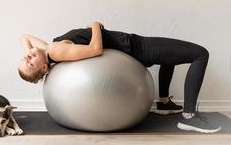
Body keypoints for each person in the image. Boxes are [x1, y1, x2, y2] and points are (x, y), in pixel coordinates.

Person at [18, 21, 221, 133]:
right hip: (136, 48)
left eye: (25, 58)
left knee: (171, 56)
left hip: (132, 46)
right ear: (44, 67)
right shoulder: (55, 50)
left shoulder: (47, 49)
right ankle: (189, 117)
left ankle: (164, 103)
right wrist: (96, 25)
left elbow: (24, 36)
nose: (27, 56)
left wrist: (32, 56)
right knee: (200, 54)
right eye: (30, 63)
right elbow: (96, 49)